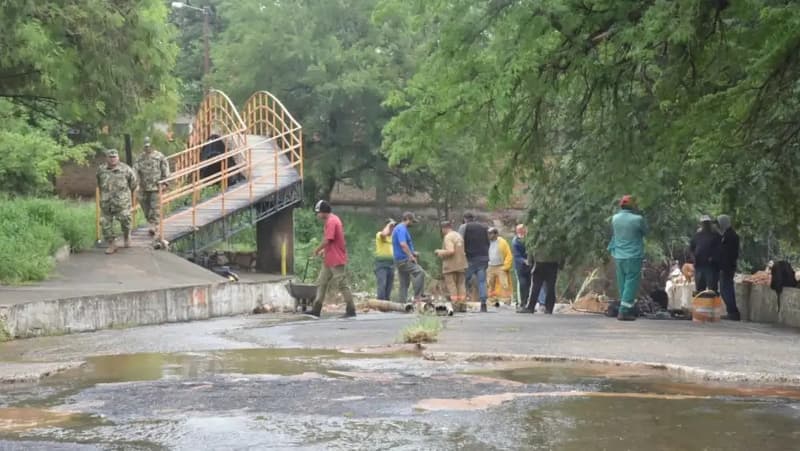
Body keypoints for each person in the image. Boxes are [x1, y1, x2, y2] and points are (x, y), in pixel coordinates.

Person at [307, 200, 356, 318]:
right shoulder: (332, 220)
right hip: (329, 258)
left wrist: (317, 250)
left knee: (342, 283)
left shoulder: (332, 221)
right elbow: (332, 241)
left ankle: (351, 309)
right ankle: (316, 309)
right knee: (321, 282)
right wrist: (324, 250)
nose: (317, 215)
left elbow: (328, 239)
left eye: (318, 212)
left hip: (336, 258)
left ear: (324, 212)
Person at [607, 195, 648, 321]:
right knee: (631, 283)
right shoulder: (638, 219)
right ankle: (623, 311)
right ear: (633, 206)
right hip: (633, 255)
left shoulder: (614, 218)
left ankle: (627, 309)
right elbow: (645, 231)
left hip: (618, 255)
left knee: (623, 283)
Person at [96, 149, 138, 254]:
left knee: (126, 219)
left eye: (115, 157)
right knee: (105, 223)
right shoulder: (101, 170)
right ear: (107, 158)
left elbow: (133, 184)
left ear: (118, 157)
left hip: (122, 202)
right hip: (106, 202)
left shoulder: (126, 169)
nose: (113, 159)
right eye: (110, 157)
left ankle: (127, 236)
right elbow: (99, 184)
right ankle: (111, 244)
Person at [133, 136, 170, 237]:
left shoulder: (159, 156)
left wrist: (165, 183)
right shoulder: (139, 158)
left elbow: (165, 170)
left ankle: (154, 226)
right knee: (145, 208)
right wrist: (135, 184)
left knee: (155, 207)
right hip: (144, 187)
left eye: (149, 146)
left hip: (156, 187)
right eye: (145, 147)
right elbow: (135, 171)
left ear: (152, 146)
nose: (147, 148)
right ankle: (151, 223)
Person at [460, 212, 490, 312]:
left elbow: (459, 242)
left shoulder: (464, 227)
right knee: (482, 281)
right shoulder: (484, 227)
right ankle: (483, 304)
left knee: (463, 280)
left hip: (470, 259)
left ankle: (462, 303)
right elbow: (488, 242)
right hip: (483, 258)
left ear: (465, 219)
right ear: (474, 218)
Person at [392, 212, 425, 303]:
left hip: (399, 259)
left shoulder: (398, 228)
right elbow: (403, 244)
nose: (412, 223)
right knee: (420, 272)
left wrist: (413, 252)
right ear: (407, 219)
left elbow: (401, 245)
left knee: (404, 283)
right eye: (411, 221)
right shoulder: (401, 228)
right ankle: (417, 297)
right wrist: (411, 256)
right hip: (404, 259)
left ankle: (402, 304)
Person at [435, 220, 468, 310]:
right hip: (461, 264)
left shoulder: (448, 237)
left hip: (450, 265)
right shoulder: (458, 235)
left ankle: (455, 305)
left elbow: (451, 251)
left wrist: (439, 251)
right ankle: (463, 304)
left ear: (444, 228)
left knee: (451, 285)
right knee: (461, 284)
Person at [717, 214, 741, 321]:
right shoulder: (728, 234)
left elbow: (727, 252)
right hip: (727, 266)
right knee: (725, 289)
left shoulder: (730, 236)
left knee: (726, 289)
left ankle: (733, 312)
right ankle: (731, 311)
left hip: (727, 266)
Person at [690, 215, 721, 293]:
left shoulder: (716, 236)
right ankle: (701, 304)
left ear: (710, 224)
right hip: (699, 266)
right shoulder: (696, 236)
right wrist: (694, 259)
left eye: (707, 223)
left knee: (712, 289)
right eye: (704, 223)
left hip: (711, 267)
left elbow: (720, 250)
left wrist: (713, 258)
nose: (705, 225)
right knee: (700, 289)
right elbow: (691, 249)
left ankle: (712, 304)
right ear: (701, 224)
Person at [487, 227, 513, 304]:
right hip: (490, 266)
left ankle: (507, 299)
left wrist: (506, 266)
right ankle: (492, 299)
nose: (489, 235)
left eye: (491, 234)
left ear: (496, 234)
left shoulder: (502, 242)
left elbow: (509, 255)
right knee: (490, 283)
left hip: (500, 266)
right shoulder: (487, 242)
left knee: (504, 283)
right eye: (488, 233)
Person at [374, 219, 396, 301]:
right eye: (391, 227)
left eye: (393, 227)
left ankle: (387, 303)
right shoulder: (379, 234)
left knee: (389, 286)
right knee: (382, 284)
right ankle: (380, 303)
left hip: (391, 264)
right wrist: (389, 224)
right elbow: (383, 234)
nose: (392, 229)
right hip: (381, 264)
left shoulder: (392, 237)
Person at [511, 225, 531, 308]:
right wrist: (524, 261)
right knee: (523, 284)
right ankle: (523, 302)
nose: (523, 230)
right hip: (520, 266)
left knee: (529, 284)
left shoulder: (529, 239)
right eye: (521, 229)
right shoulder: (516, 241)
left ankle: (527, 302)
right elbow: (516, 255)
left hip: (529, 264)